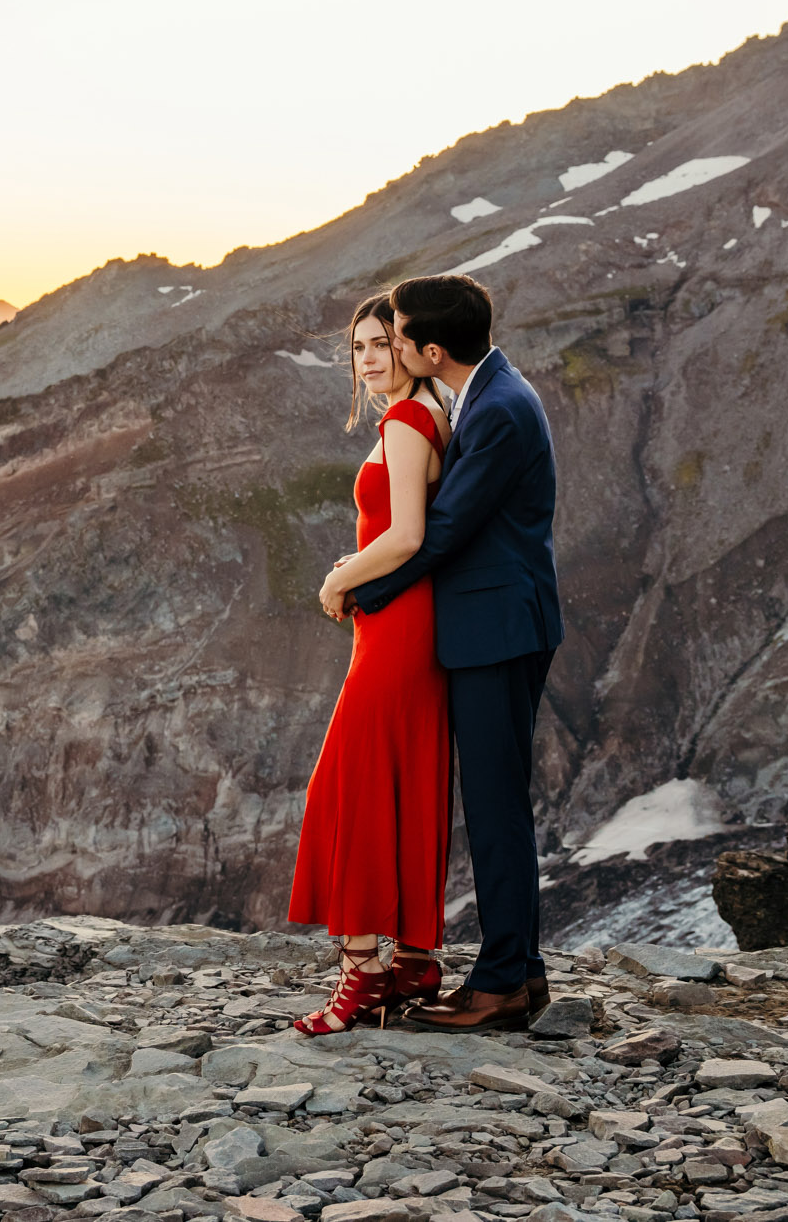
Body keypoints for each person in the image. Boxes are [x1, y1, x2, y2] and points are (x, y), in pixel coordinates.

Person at [320, 272, 562, 1033]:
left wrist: (360, 588)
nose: (384, 346)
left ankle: (498, 984)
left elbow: (444, 528)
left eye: (394, 334)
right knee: (496, 802)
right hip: (497, 621)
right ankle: (519, 970)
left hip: (497, 628)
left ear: (430, 348)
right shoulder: (485, 395)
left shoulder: (496, 411)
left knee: (494, 806)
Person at [284, 295, 454, 1034]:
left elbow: (409, 534)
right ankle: (413, 959)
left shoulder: (409, 421)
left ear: (411, 347)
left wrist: (339, 577)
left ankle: (364, 971)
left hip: (399, 628)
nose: (370, 358)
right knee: (402, 778)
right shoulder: (420, 413)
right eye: (359, 348)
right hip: (401, 624)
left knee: (345, 787)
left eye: (383, 343)